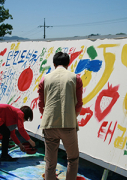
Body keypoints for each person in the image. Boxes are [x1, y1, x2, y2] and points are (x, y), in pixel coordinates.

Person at [38, 52, 83, 180]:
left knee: (50, 161)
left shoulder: (44, 79)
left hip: (49, 124)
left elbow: (41, 104)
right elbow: (79, 103)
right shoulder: (75, 78)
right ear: (68, 64)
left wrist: (46, 116)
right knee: (72, 159)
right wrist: (72, 117)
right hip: (68, 124)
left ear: (54, 64)